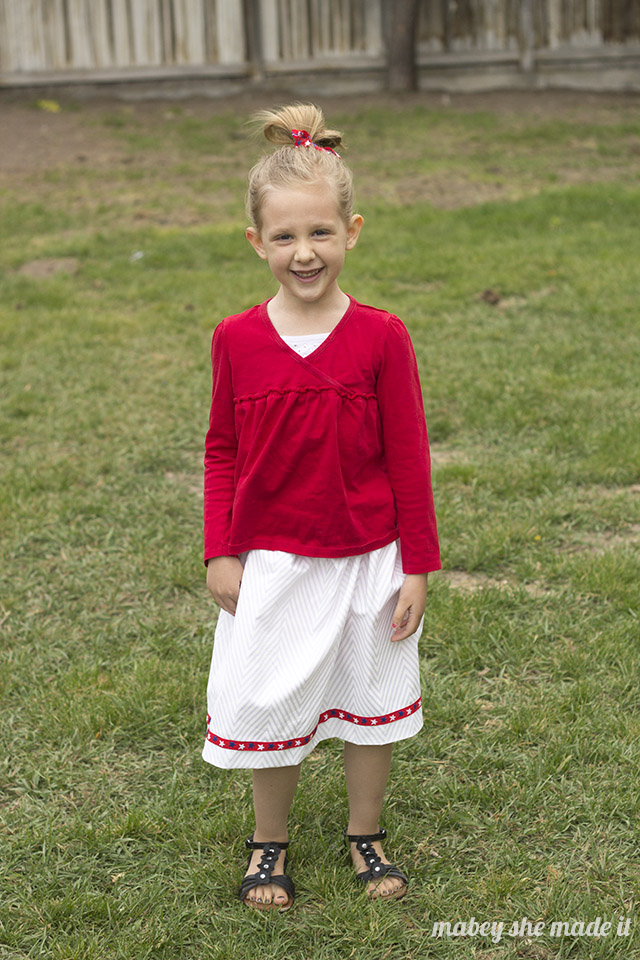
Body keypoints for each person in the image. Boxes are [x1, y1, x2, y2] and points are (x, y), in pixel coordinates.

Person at [202, 103, 441, 911]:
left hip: (370, 557)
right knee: (272, 700)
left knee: (370, 702)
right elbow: (221, 450)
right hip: (272, 558)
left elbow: (410, 456)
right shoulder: (235, 338)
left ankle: (364, 831)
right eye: (284, 238)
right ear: (256, 242)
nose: (304, 254)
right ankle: (268, 842)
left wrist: (418, 566)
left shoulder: (382, 336)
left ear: (352, 230)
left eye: (321, 234)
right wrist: (220, 549)